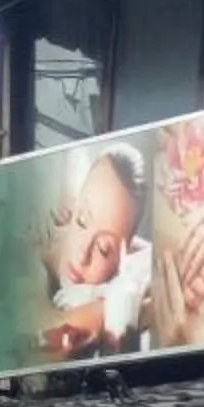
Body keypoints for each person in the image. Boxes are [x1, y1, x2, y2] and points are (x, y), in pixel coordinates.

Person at [42, 145, 150, 354]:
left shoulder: (130, 260)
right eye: (82, 220)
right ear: (74, 208)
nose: (82, 255)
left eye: (102, 249)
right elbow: (47, 336)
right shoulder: (31, 261)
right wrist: (136, 308)